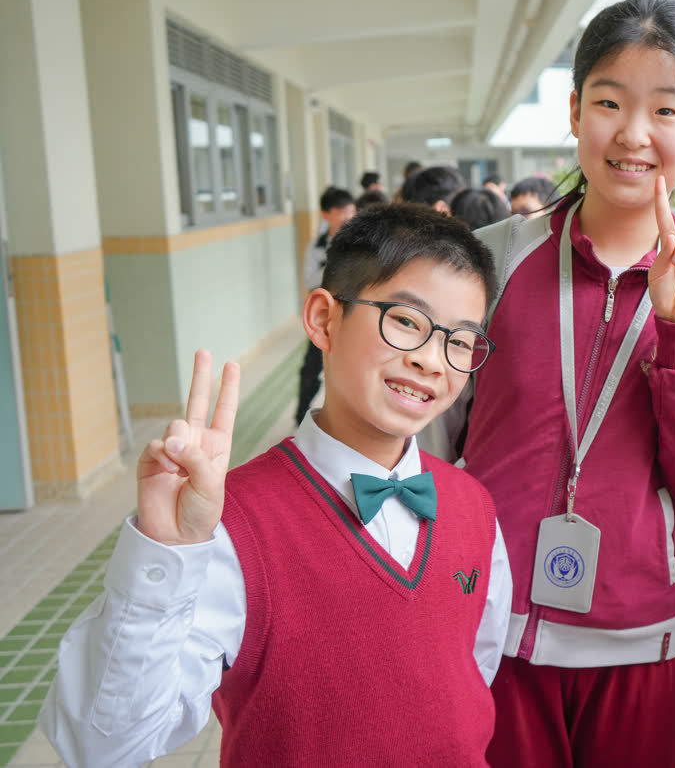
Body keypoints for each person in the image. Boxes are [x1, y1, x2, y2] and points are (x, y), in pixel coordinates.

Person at [41, 205, 514, 767]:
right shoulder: (228, 525)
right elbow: (102, 745)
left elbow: (474, 667)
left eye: (461, 341)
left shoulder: (473, 505)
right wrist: (166, 551)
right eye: (407, 321)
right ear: (324, 319)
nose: (432, 361)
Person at [425, 0, 675, 768]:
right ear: (575, 111)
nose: (634, 133)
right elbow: (431, 441)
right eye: (610, 102)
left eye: (666, 110)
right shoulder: (491, 258)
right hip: (493, 625)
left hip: (643, 641)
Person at [295, 186, 356, 426]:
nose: (347, 217)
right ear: (326, 215)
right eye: (341, 211)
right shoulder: (317, 246)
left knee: (352, 366)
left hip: (353, 314)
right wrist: (333, 261)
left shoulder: (360, 243)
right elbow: (309, 281)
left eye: (350, 211)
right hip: (325, 316)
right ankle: (300, 417)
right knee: (311, 369)